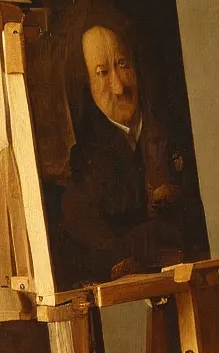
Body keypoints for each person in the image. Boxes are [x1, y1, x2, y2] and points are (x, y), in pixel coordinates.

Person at [57, 21, 207, 288]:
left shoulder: (176, 132)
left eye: (123, 65)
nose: (119, 86)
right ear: (86, 85)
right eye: (102, 73)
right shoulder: (83, 163)